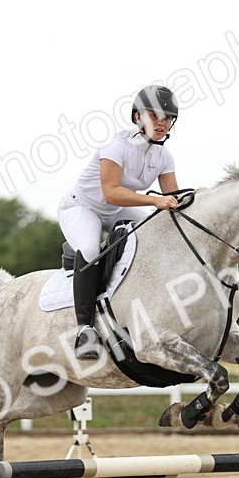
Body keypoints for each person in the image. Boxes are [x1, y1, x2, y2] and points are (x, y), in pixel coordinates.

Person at [58, 85, 181, 360]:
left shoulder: (164, 156)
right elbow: (111, 192)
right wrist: (155, 201)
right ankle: (84, 330)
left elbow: (171, 200)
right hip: (82, 206)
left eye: (167, 117)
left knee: (159, 231)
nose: (161, 122)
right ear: (137, 117)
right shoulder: (117, 145)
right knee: (90, 250)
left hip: (120, 209)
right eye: (154, 115)